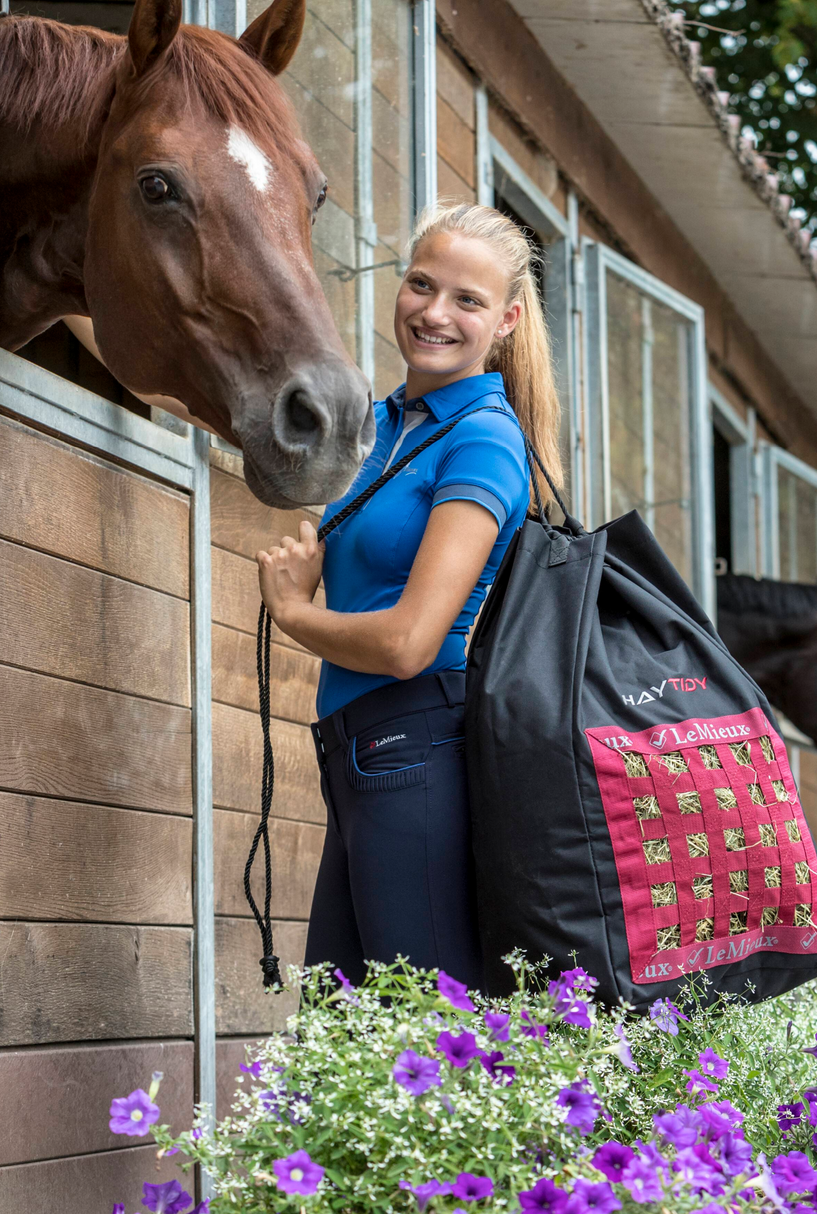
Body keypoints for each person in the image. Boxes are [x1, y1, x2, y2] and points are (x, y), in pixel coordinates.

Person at [255, 203, 564, 987]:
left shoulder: (482, 437)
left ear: (506, 321)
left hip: (416, 746)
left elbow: (408, 642)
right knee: (346, 1036)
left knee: (421, 1040)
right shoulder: (387, 424)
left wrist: (295, 612)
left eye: (468, 300)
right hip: (359, 756)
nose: (434, 313)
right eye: (422, 285)